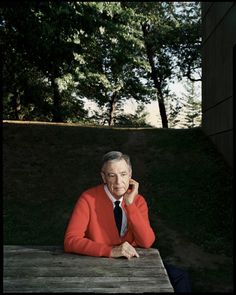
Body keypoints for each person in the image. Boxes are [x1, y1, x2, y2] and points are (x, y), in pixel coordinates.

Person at [64, 151, 191, 292]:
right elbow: (71, 240)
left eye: (123, 174)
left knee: (180, 277)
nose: (119, 182)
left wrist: (130, 205)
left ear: (130, 174)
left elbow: (147, 242)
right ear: (103, 177)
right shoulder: (88, 198)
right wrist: (111, 251)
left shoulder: (138, 200)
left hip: (131, 260)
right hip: (100, 261)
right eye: (112, 175)